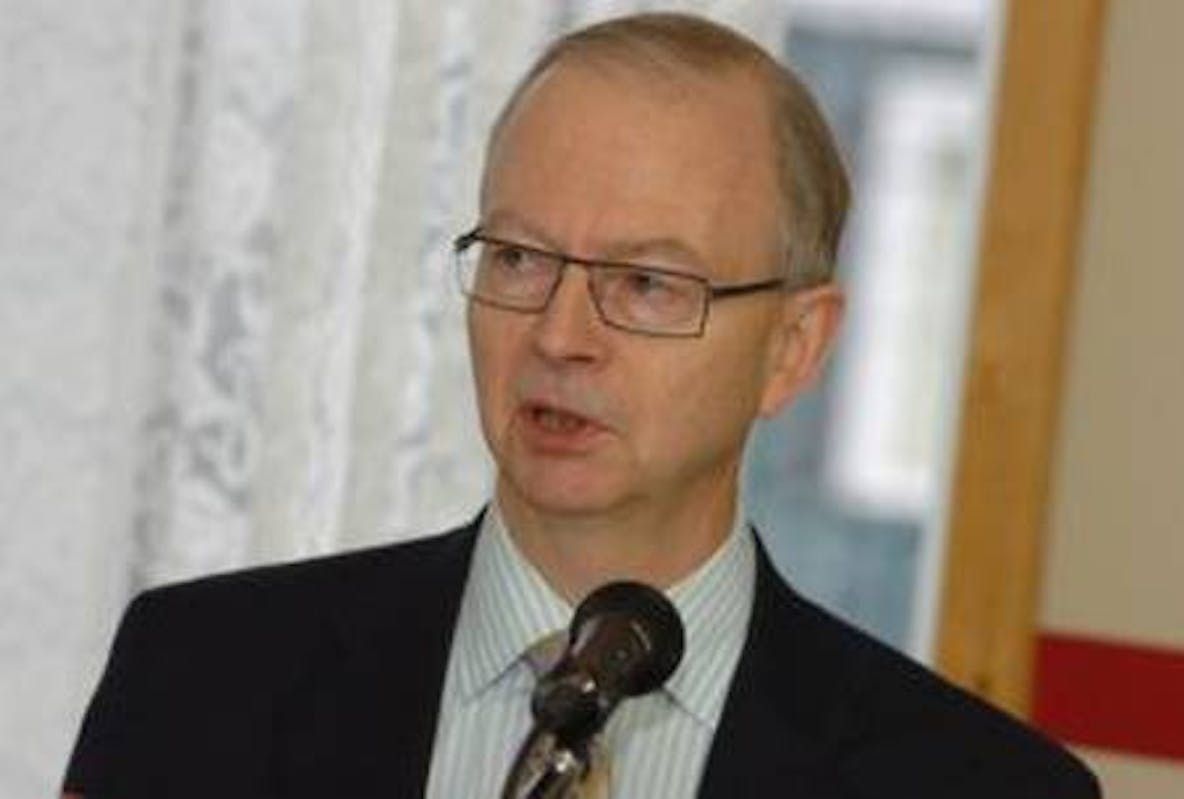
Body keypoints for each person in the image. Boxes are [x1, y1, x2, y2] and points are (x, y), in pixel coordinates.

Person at [62, 12, 1099, 799]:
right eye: (519, 258)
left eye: (645, 283)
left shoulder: (980, 786)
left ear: (792, 349)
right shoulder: (201, 678)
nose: (559, 335)